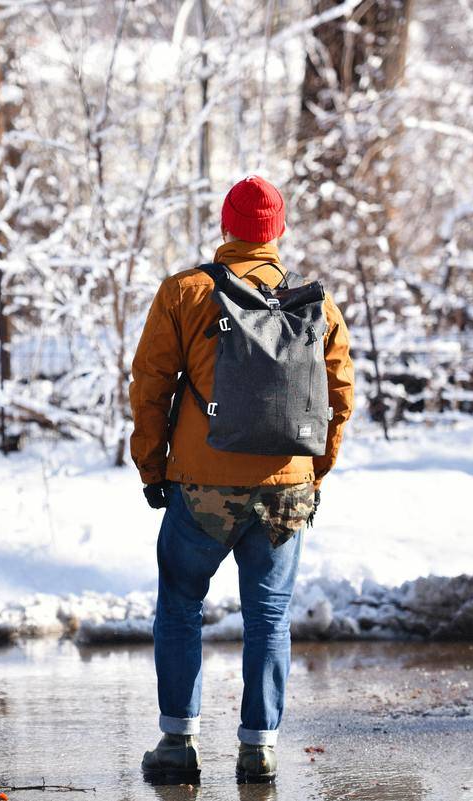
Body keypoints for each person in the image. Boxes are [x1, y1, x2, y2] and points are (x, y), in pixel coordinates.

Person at [129, 175, 354, 784]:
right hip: (287, 490)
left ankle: (177, 746)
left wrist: (153, 467)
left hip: (200, 486)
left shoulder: (186, 292)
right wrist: (313, 471)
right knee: (269, 615)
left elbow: (150, 388)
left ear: (227, 225)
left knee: (179, 607)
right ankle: (260, 750)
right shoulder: (316, 304)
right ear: (278, 231)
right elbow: (340, 396)